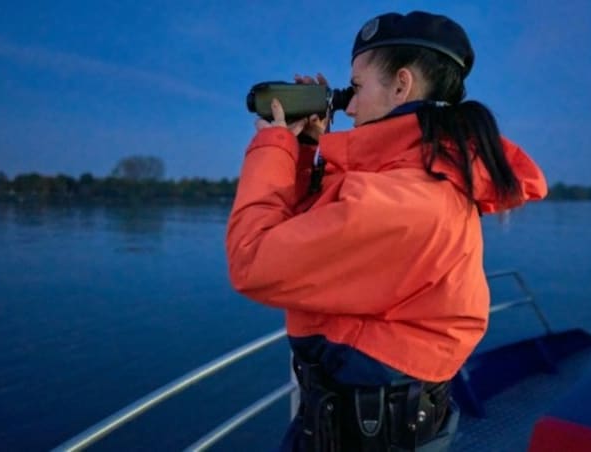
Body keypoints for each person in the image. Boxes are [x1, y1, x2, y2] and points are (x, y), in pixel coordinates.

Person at [226, 10, 547, 451]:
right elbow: (305, 237)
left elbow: (253, 260)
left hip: (364, 434)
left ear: (401, 85)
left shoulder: (405, 200)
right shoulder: (414, 178)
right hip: (347, 420)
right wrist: (302, 149)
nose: (349, 106)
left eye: (356, 89)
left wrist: (271, 145)